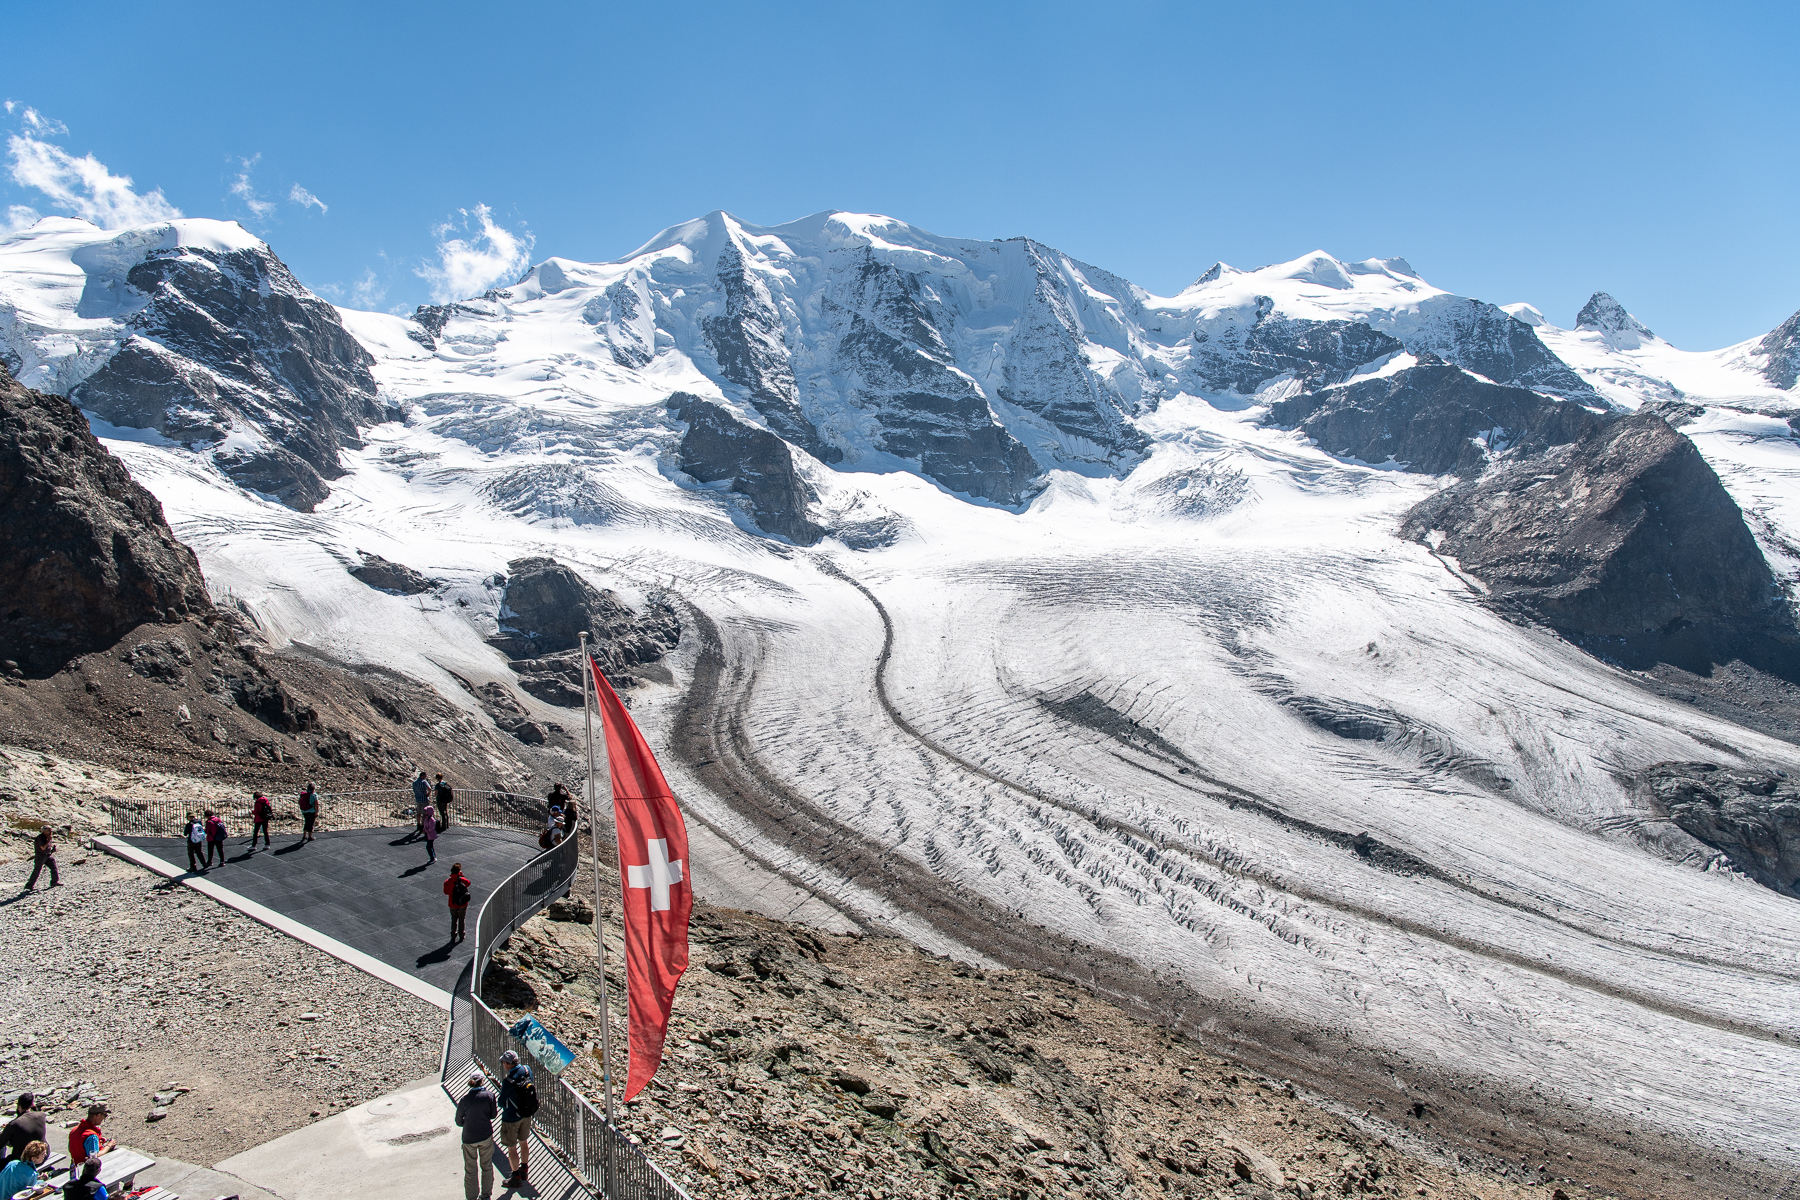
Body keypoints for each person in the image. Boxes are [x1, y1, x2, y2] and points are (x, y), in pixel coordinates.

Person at [454, 1071, 498, 1200]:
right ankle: (486, 1195)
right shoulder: (490, 1096)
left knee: (470, 1170)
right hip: (485, 1135)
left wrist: (467, 1123)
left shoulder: (464, 1100)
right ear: (483, 1081)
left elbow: (458, 1121)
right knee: (487, 1166)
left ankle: (471, 1197)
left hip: (469, 1137)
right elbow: (493, 1115)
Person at [496, 1049, 534, 1187]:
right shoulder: (526, 1069)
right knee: (523, 1142)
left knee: (512, 1148)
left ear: (507, 1064)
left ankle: (515, 1177)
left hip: (511, 1118)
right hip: (526, 1114)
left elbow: (501, 1102)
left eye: (503, 1062)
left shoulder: (508, 1081)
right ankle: (524, 1170)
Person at [2, 1093, 46, 1162]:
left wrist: (6, 1130)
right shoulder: (42, 1115)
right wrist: (34, 1107)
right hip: (43, 1156)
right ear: (31, 1104)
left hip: (23, 1160)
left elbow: (1, 1143)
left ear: (19, 1106)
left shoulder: (14, 1124)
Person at [67, 1102, 112, 1167]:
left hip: (75, 1166)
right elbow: (94, 1157)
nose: (104, 1118)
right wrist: (109, 1146)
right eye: (105, 1115)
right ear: (98, 1115)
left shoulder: (74, 1130)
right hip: (87, 1169)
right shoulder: (92, 1136)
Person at [445, 863, 471, 942]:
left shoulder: (447, 882)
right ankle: (461, 935)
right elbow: (468, 883)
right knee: (461, 918)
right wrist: (462, 876)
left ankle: (453, 935)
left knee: (454, 919)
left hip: (452, 903)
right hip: (462, 903)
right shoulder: (462, 880)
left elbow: (445, 892)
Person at [26, 826, 58, 890]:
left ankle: (54, 882)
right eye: (49, 830)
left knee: (53, 867)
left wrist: (52, 848)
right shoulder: (40, 837)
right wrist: (49, 840)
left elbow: (48, 845)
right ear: (44, 831)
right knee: (37, 870)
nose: (50, 832)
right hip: (40, 856)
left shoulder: (48, 836)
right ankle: (29, 885)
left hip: (47, 855)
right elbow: (43, 847)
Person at [412, 771, 431, 840]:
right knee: (424, 814)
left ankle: (418, 824)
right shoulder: (424, 782)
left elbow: (414, 790)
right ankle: (423, 825)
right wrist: (428, 794)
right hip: (424, 799)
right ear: (422, 776)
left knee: (418, 813)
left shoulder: (414, 782)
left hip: (417, 799)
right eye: (425, 776)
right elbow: (429, 789)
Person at [422, 800, 440, 865]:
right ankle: (433, 857)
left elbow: (431, 828)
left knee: (429, 847)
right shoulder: (427, 818)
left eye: (426, 811)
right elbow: (425, 825)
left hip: (431, 835)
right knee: (430, 846)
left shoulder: (431, 819)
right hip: (428, 835)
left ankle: (433, 858)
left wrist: (425, 831)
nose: (425, 812)